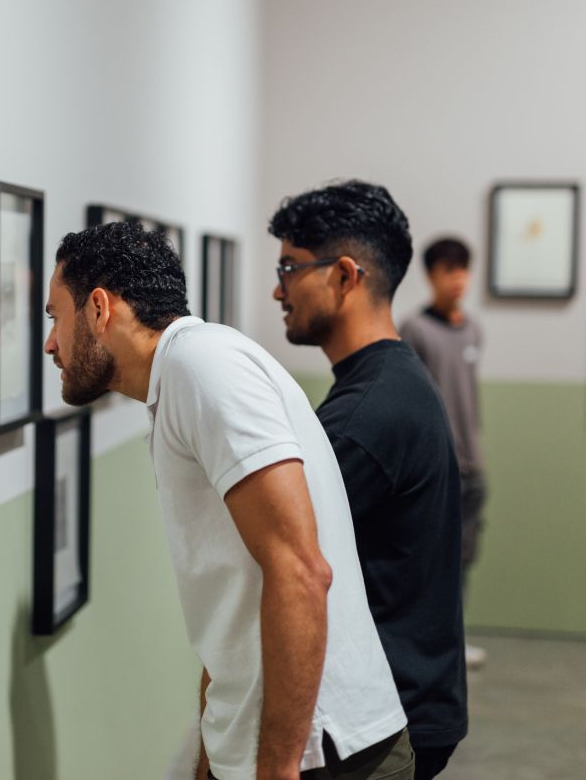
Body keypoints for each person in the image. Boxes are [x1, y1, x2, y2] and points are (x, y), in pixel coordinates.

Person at [44, 221, 413, 780]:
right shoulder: (183, 377)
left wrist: (276, 767)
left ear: (98, 308)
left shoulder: (203, 369)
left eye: (55, 316)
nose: (51, 342)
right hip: (280, 748)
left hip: (322, 753)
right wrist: (212, 754)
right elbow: (231, 600)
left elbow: (300, 570)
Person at [268, 181, 467, 780]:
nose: (278, 289)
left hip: (384, 721)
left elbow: (283, 565)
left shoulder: (365, 415)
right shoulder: (389, 382)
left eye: (290, 267)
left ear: (345, 275)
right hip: (413, 697)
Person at [398, 237, 488, 671]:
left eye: (463, 270)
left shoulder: (473, 330)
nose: (458, 280)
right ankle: (430, 642)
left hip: (474, 463)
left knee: (464, 555)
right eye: (449, 270)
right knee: (432, 556)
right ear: (431, 276)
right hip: (438, 465)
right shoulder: (415, 330)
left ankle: (456, 637)